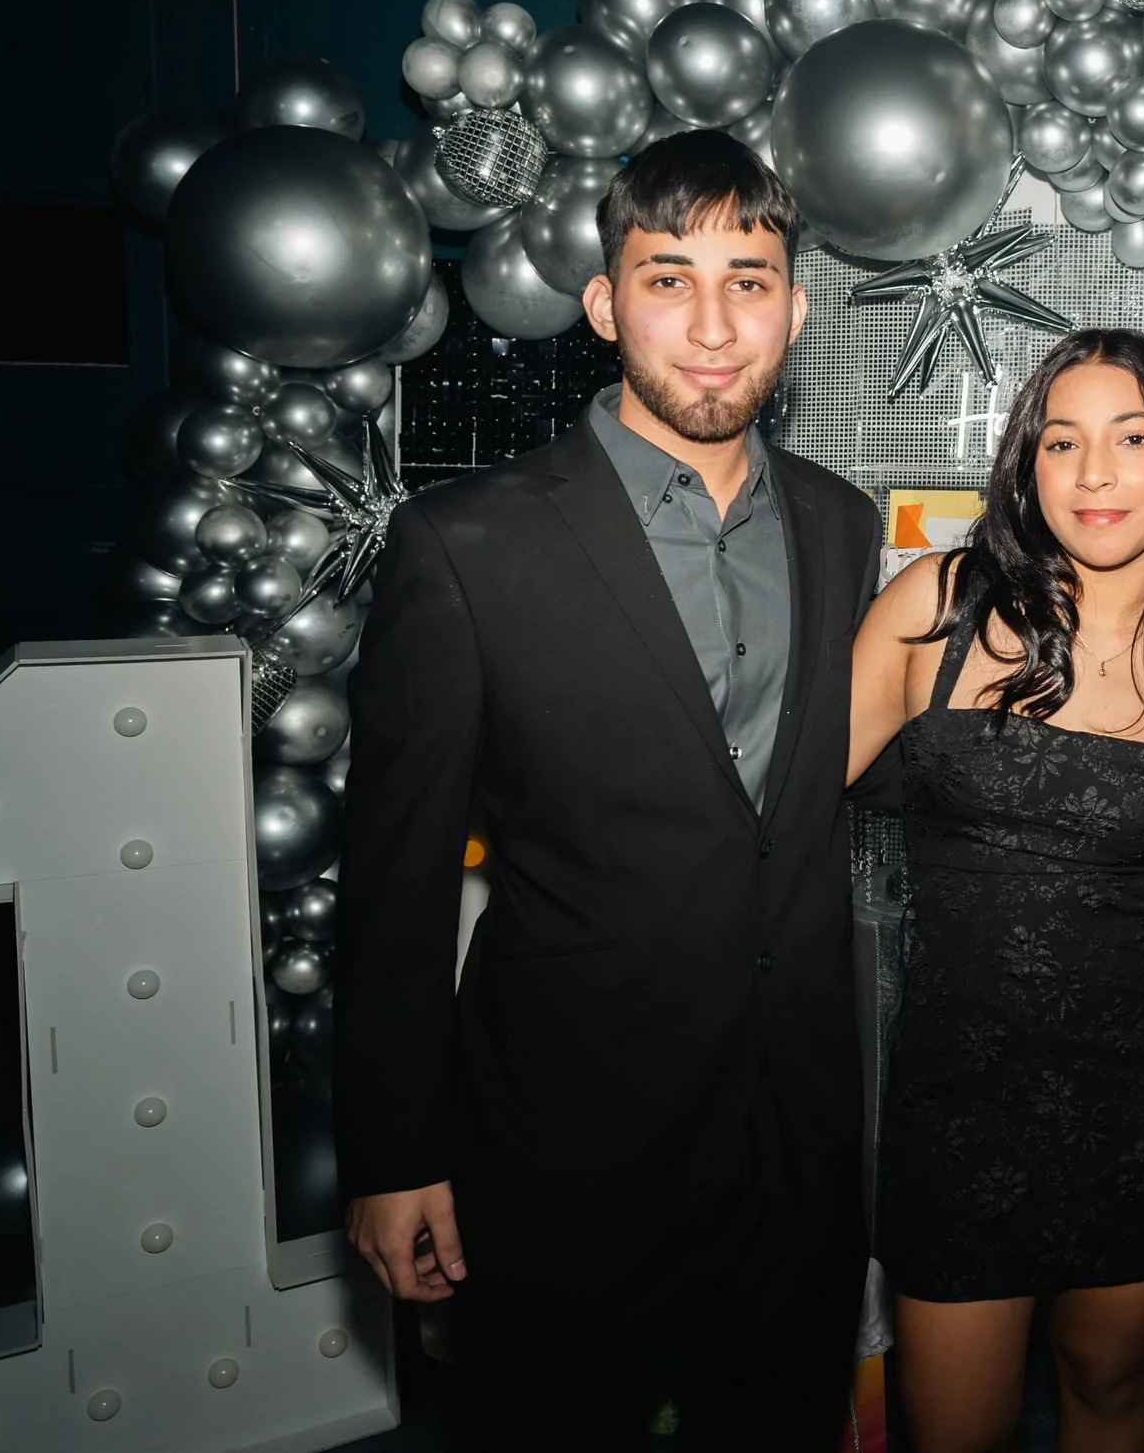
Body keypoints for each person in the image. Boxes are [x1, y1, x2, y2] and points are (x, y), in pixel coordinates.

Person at [335, 130, 879, 1449]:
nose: (713, 327)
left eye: (749, 282)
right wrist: (395, 1153)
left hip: (794, 1151)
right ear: (602, 303)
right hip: (563, 1148)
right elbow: (396, 880)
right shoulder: (463, 544)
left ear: (797, 308)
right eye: (667, 279)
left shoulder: (841, 522)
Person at [847, 328, 1144, 1453]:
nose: (1094, 473)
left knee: (1110, 1382)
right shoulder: (939, 603)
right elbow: (784, 799)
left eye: (1131, 438)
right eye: (1061, 441)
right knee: (955, 1426)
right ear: (1026, 466)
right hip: (956, 1092)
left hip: (1143, 1089)